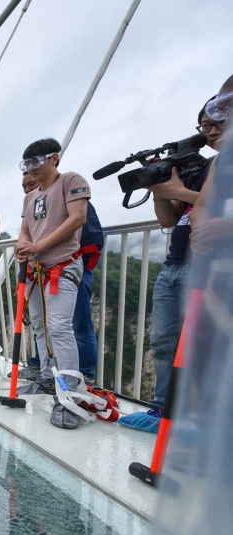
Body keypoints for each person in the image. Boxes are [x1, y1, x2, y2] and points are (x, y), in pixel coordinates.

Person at [119, 104, 226, 432]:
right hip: (174, 264)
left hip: (208, 267)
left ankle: (204, 422)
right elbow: (168, 219)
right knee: (164, 342)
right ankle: (164, 411)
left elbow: (211, 206)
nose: (210, 131)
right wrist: (158, 189)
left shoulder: (221, 166)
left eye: (216, 123)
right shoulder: (208, 166)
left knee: (208, 347)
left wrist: (176, 189)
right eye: (204, 126)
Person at [14, 139, 91, 429]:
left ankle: (70, 393)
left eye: (36, 161)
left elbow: (77, 219)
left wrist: (38, 245)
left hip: (62, 265)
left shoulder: (71, 180)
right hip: (37, 269)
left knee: (58, 326)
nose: (31, 169)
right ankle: (48, 380)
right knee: (39, 325)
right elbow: (24, 230)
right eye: (26, 164)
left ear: (54, 159)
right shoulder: (30, 196)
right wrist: (24, 245)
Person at [17, 173, 104, 384]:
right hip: (40, 269)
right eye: (24, 186)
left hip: (69, 267)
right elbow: (27, 235)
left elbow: (90, 235)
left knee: (73, 324)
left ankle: (84, 374)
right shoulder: (33, 203)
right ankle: (45, 369)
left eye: (32, 184)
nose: (28, 189)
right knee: (44, 324)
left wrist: (79, 268)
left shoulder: (67, 196)